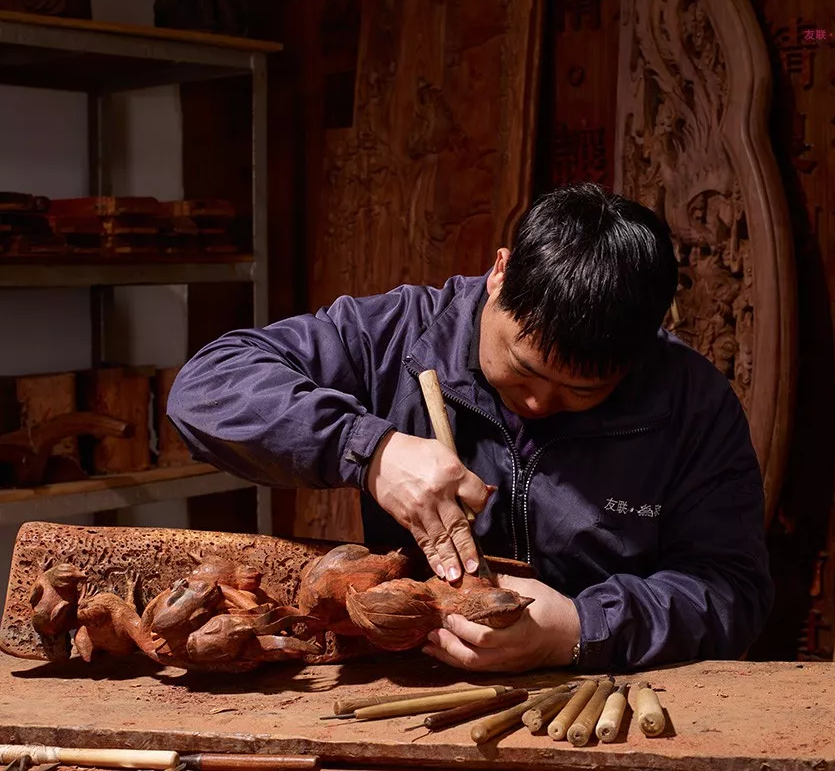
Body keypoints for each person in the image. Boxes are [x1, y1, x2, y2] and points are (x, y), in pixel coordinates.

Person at [166, 182, 774, 673]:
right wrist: (370, 450)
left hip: (594, 698)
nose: (538, 403)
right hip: (412, 686)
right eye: (522, 368)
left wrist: (582, 629)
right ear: (500, 274)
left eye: (581, 392)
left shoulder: (690, 401)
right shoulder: (399, 337)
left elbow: (731, 590)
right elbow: (205, 390)